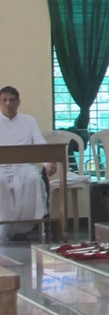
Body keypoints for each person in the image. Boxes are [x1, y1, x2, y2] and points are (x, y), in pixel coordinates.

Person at [0, 86, 56, 242]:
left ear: (18, 102)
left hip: (23, 166)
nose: (8, 103)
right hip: (1, 168)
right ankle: (3, 227)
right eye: (4, 100)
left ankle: (23, 226)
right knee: (1, 182)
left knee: (34, 180)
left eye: (11, 100)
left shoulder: (29, 121)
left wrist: (47, 162)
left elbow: (39, 144)